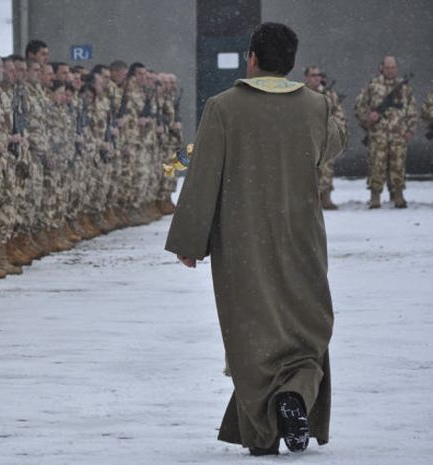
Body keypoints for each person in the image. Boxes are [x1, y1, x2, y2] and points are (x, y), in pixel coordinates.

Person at [165, 22, 345, 456]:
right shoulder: (315, 106)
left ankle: (263, 429)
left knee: (251, 333)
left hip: (242, 240)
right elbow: (334, 146)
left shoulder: (223, 108)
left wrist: (190, 239)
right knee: (306, 327)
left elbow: (203, 174)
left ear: (251, 58)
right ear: (292, 64)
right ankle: (295, 396)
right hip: (300, 236)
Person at [354, 56, 417, 208]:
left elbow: (412, 110)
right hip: (378, 135)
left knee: (398, 166)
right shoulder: (373, 86)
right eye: (387, 67)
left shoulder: (404, 87)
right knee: (377, 165)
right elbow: (359, 106)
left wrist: (410, 129)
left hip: (398, 134)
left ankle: (398, 196)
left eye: (393, 67)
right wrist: (368, 118)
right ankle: (375, 197)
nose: (390, 70)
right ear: (381, 68)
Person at [304, 66, 347, 209]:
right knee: (307, 172)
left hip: (325, 139)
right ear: (306, 78)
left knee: (327, 168)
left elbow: (339, 115)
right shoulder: (301, 95)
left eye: (319, 75)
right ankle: (309, 201)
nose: (317, 78)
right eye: (313, 75)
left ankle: (325, 198)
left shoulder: (329, 95)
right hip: (306, 139)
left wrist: (334, 132)